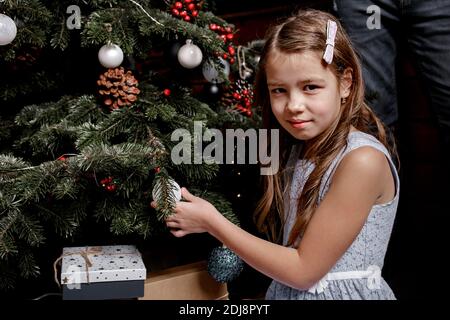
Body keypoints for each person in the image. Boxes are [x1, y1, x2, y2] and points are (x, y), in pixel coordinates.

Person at [151, 9, 400, 300]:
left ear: (345, 83)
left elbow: (303, 270)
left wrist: (212, 222)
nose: (294, 104)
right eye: (279, 90)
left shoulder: (362, 161)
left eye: (310, 87)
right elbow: (221, 148)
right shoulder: (297, 149)